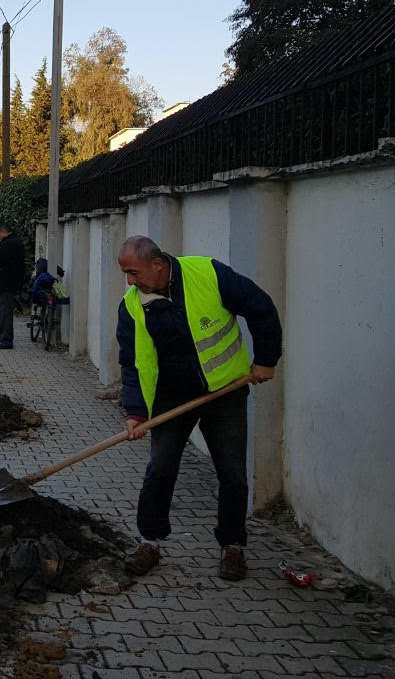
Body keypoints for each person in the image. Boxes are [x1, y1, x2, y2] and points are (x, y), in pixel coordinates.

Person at [116, 235, 282, 582]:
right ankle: (150, 542)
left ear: (157, 265)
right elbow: (131, 363)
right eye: (126, 274)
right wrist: (136, 412)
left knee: (232, 472)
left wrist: (266, 360)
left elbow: (260, 306)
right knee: (160, 468)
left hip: (224, 391)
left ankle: (232, 545)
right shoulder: (131, 305)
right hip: (170, 397)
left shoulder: (208, 274)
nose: (130, 281)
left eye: (134, 272)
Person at [0, 222, 25, 349]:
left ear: (3, 232)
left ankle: (6, 340)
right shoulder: (13, 242)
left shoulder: (10, 244)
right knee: (3, 311)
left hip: (5, 284)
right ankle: (1, 338)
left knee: (5, 312)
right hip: (5, 283)